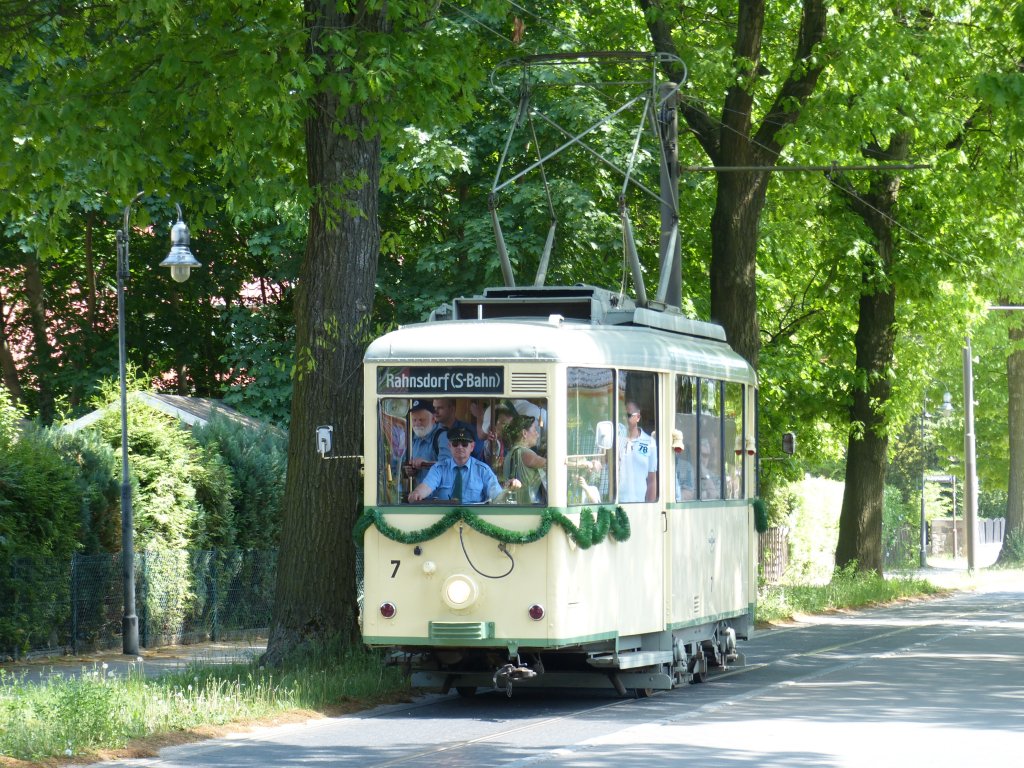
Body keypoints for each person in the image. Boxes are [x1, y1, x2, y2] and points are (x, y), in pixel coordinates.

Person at [408, 427, 514, 503]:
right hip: (443, 521)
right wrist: (417, 493)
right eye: (455, 444)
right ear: (449, 446)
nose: (460, 447)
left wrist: (509, 489)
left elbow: (497, 496)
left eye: (464, 444)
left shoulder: (483, 470)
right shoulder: (439, 469)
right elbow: (426, 486)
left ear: (472, 447)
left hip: (475, 523)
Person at [617, 400, 657, 502]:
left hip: (640, 508)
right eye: (622, 415)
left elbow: (652, 480)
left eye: (628, 415)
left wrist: (650, 508)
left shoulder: (649, 442)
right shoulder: (616, 441)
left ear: (638, 417)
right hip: (617, 505)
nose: (624, 418)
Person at [502, 414, 547, 504]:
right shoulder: (525, 453)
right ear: (524, 433)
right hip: (526, 507)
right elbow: (552, 463)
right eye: (534, 430)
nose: (537, 434)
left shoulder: (510, 453)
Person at [405, 400, 443, 485]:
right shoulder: (414, 439)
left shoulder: (442, 437)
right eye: (414, 420)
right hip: (420, 495)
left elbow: (450, 466)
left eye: (422, 420)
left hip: (439, 496)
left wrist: (425, 463)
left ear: (433, 419)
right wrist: (411, 471)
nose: (417, 424)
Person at [673, 429, 696, 501]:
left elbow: (689, 492)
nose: (676, 451)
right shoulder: (651, 465)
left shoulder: (687, 467)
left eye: (677, 449)